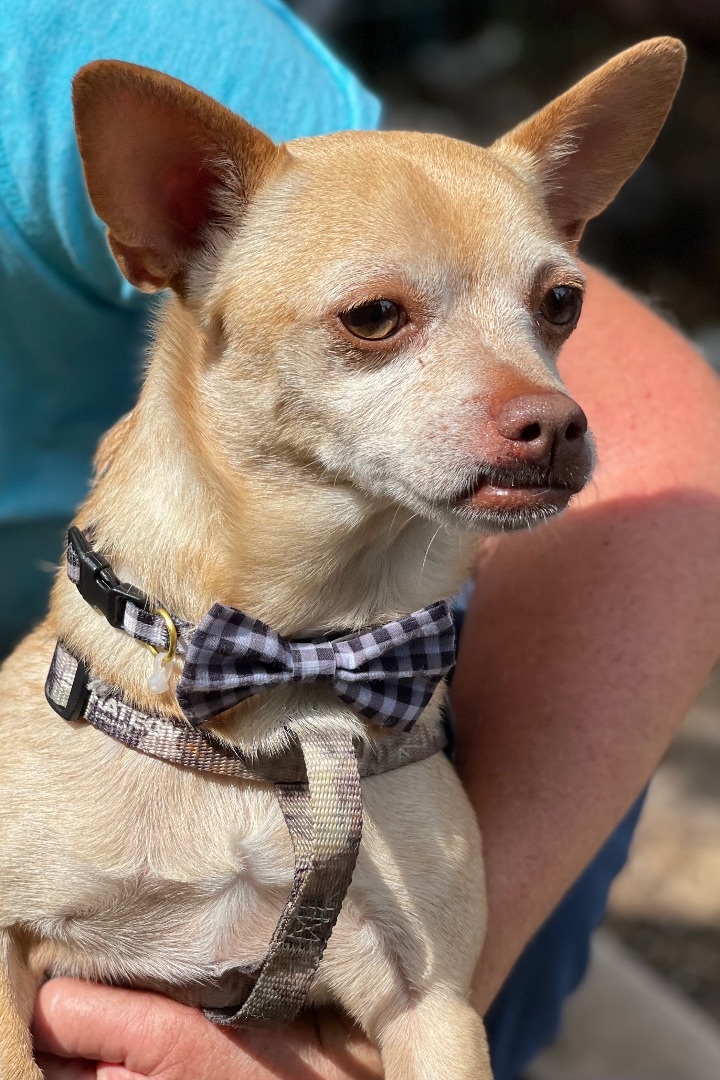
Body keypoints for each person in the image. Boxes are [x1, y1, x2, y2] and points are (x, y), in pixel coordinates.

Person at [2, 2, 719, 1078]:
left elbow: (675, 447)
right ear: (176, 217)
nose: (537, 399)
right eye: (376, 318)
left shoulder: (77, 30)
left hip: (409, 694)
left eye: (550, 306)